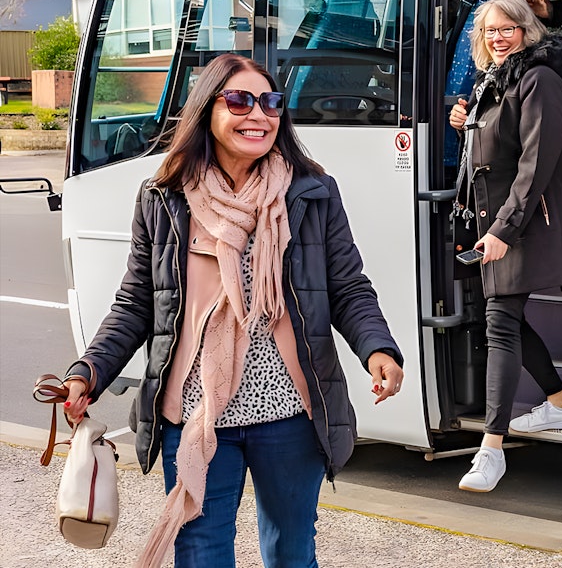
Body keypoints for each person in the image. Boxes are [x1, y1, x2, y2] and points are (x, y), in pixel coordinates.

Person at [54, 53, 404, 567]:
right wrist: (88, 372)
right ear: (206, 111)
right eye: (239, 100)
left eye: (270, 102)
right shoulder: (164, 196)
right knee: (199, 552)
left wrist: (378, 350)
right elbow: (136, 304)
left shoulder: (312, 193)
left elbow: (347, 286)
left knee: (290, 550)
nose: (258, 114)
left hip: (289, 414)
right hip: (195, 414)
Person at [448, 0, 562, 493]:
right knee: (504, 316)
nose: (498, 37)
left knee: (499, 323)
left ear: (528, 30)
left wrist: (502, 233)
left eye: (509, 28)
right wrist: (468, 124)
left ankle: (491, 448)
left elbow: (536, 165)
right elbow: (498, 142)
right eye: (490, 30)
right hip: (504, 222)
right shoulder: (496, 81)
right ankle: (559, 405)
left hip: (527, 223)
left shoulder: (540, 79)